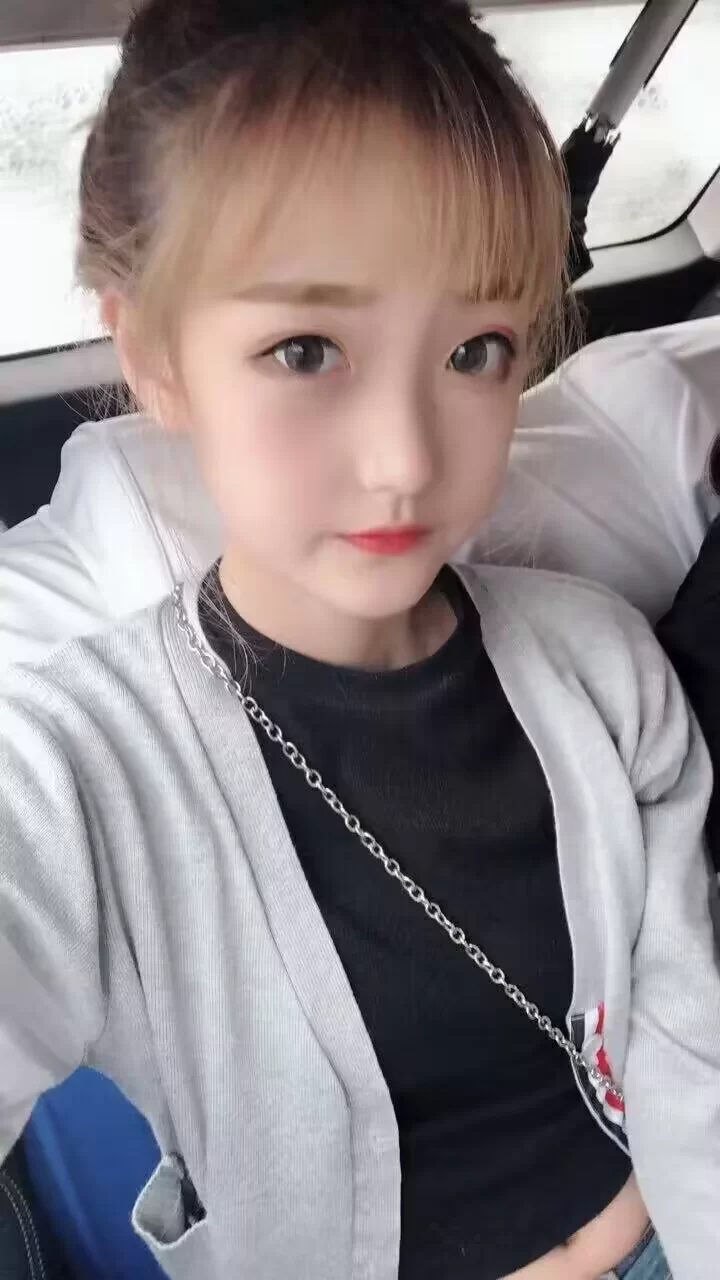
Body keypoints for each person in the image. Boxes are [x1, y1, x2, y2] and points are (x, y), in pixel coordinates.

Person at [1, 2, 719, 1278]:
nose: (404, 460)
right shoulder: (75, 772)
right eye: (307, 348)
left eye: (476, 350)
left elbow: (689, 1052)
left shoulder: (606, 670)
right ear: (154, 356)